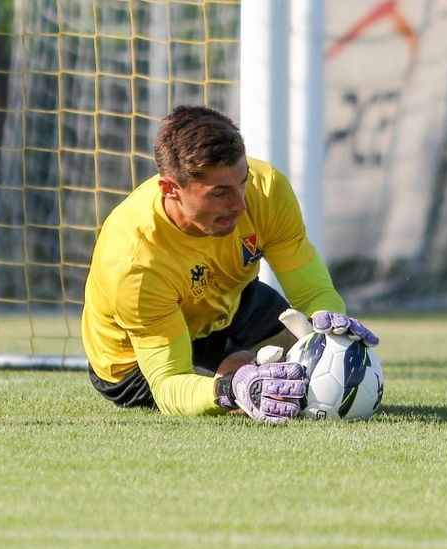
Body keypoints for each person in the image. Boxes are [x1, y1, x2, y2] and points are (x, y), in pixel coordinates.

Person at [81, 105, 377, 422]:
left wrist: (329, 324)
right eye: (219, 193)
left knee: (309, 348)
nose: (239, 204)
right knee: (260, 383)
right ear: (170, 189)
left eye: (242, 182)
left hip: (226, 303)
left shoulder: (266, 189)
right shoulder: (134, 263)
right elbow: (169, 384)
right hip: (133, 363)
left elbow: (312, 290)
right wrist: (232, 387)